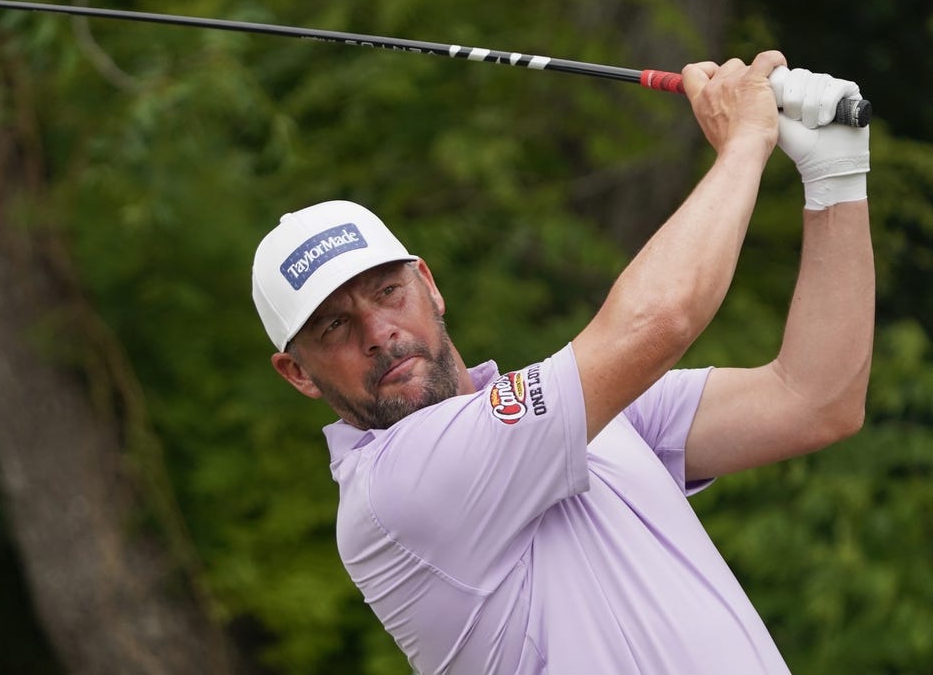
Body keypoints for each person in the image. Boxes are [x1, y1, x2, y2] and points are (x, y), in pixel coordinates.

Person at [250, 51, 873, 674]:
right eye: (334, 325)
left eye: (389, 292)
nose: (379, 332)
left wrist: (835, 176)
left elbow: (813, 400)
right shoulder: (393, 491)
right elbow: (659, 323)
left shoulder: (572, 409)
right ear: (297, 372)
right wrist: (745, 143)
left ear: (428, 284)